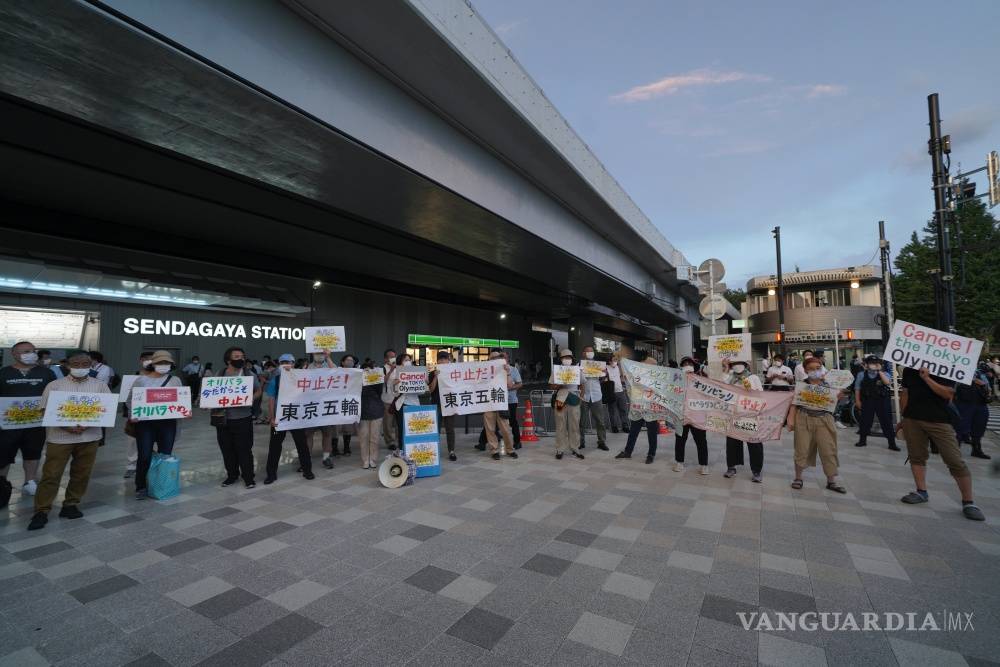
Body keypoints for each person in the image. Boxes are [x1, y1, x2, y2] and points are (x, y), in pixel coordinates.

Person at [28, 350, 111, 530]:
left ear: (91, 365)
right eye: (76, 364)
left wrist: (87, 425)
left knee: (82, 473)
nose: (81, 367)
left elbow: (106, 410)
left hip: (89, 436)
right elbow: (45, 410)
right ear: (67, 365)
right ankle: (41, 510)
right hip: (59, 438)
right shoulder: (54, 386)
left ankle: (71, 504)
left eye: (85, 364)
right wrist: (66, 427)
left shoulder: (100, 385)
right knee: (51, 474)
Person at [895, 366, 984, 521]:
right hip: (913, 419)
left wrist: (927, 378)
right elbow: (905, 393)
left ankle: (968, 502)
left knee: (954, 460)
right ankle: (921, 491)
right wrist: (904, 418)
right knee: (916, 456)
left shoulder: (945, 368)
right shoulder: (910, 370)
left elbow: (948, 394)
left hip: (940, 420)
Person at [1, 341, 56, 504]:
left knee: (33, 452)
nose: (31, 354)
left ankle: (29, 481)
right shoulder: (4, 373)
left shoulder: (46, 373)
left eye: (33, 351)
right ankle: (2, 483)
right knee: (4, 454)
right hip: (8, 425)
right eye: (26, 351)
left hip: (35, 423)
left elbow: (54, 395)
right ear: (14, 354)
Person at [126, 350, 183, 500]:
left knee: (165, 455)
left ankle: (161, 484)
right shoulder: (141, 381)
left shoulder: (175, 380)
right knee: (144, 455)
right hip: (145, 424)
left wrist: (184, 410)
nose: (164, 365)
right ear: (153, 363)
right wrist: (133, 414)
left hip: (168, 423)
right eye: (160, 362)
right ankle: (141, 486)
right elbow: (130, 400)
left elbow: (181, 398)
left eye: (167, 363)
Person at [786, 356, 846, 493]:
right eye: (811, 369)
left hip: (825, 419)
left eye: (818, 368)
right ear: (805, 370)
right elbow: (794, 404)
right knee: (801, 449)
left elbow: (835, 402)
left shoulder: (830, 384)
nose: (815, 371)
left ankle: (831, 481)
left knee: (828, 449)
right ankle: (798, 478)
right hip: (803, 418)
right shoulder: (801, 385)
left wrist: (839, 395)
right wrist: (790, 419)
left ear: (822, 368)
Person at [214, 347, 260, 489]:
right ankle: (232, 475)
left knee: (244, 449)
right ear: (228, 360)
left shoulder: (249, 374)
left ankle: (248, 477)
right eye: (236, 356)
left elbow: (258, 390)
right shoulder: (220, 374)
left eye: (242, 356)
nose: (240, 359)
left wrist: (250, 398)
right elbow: (212, 391)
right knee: (227, 449)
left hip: (243, 417)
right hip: (223, 419)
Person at [264, 354, 313, 483]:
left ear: (293, 364)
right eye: (283, 362)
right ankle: (271, 474)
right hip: (280, 418)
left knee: (302, 444)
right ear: (279, 364)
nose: (286, 364)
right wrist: (272, 417)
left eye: (289, 362)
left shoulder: (300, 379)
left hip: (296, 418)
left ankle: (307, 470)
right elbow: (271, 400)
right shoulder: (276, 380)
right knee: (274, 446)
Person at [722, 356, 765, 482]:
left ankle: (756, 471)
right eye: (734, 363)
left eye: (740, 363)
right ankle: (731, 467)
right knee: (732, 442)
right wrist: (725, 367)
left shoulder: (753, 377)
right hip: (733, 414)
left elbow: (761, 394)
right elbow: (722, 388)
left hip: (750, 415)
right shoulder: (730, 377)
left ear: (746, 365)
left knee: (754, 443)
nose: (737, 365)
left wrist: (750, 390)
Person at [614, 350, 660, 464]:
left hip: (650, 406)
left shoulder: (653, 367)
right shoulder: (634, 369)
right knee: (634, 430)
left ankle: (651, 454)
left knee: (652, 432)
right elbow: (625, 376)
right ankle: (628, 451)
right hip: (638, 405)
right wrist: (620, 361)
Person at [853, 355, 900, 451]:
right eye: (871, 363)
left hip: (882, 401)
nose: (873, 365)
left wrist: (879, 371)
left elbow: (887, 382)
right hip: (867, 400)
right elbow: (857, 388)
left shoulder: (884, 373)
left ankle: (892, 443)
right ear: (866, 364)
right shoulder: (861, 374)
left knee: (886, 421)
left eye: (876, 363)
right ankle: (862, 440)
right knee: (865, 420)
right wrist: (857, 401)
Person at [673, 356, 709, 474]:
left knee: (701, 441)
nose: (687, 366)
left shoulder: (702, 379)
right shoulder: (676, 379)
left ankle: (704, 465)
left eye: (690, 364)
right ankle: (679, 462)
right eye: (685, 364)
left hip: (698, 416)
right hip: (682, 415)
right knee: (680, 440)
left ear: (694, 366)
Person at [480, 350, 518, 461]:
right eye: (492, 358)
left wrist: (508, 372)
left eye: (497, 358)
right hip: (488, 403)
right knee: (490, 429)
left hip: (501, 402)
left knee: (505, 428)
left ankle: (510, 449)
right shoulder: (484, 371)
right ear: (489, 360)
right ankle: (494, 450)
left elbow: (510, 385)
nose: (495, 360)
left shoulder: (505, 369)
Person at [123, 351, 155, 479]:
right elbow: (127, 399)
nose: (149, 361)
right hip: (136, 416)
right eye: (146, 359)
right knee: (132, 441)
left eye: (152, 359)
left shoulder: (161, 377)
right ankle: (131, 466)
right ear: (141, 360)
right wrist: (132, 413)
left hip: (155, 415)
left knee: (152, 442)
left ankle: (151, 465)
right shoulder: (133, 378)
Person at [305, 348, 338, 467]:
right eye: (317, 353)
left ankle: (326, 457)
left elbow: (336, 373)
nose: (319, 355)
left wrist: (328, 357)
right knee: (308, 434)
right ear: (313, 354)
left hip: (326, 405)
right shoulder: (308, 367)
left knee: (327, 433)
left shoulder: (329, 364)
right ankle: (306, 458)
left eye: (321, 353)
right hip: (312, 404)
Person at [550, 349, 584, 461]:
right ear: (561, 359)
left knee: (574, 425)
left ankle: (575, 448)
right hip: (560, 399)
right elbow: (552, 386)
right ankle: (560, 449)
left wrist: (581, 397)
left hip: (574, 398)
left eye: (569, 358)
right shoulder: (556, 370)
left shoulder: (577, 370)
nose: (567, 359)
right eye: (564, 358)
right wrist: (560, 383)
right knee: (560, 424)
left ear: (572, 359)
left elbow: (582, 384)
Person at [955, 362, 992, 460]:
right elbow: (955, 384)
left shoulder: (980, 372)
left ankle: (976, 449)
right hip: (965, 402)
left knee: (979, 426)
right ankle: (955, 450)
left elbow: (987, 386)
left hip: (980, 403)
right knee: (961, 427)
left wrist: (987, 389)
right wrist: (973, 380)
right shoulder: (959, 368)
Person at [388, 352, 423, 450]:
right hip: (402, 404)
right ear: (400, 362)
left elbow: (421, 392)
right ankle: (402, 449)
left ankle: (413, 449)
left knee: (414, 428)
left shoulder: (416, 372)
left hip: (414, 404)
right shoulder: (396, 373)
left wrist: (423, 382)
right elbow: (394, 393)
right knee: (402, 429)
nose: (408, 362)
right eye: (405, 360)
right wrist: (396, 383)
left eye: (409, 360)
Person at [427, 350, 457, 461]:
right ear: (437, 361)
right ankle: (434, 451)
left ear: (448, 360)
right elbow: (431, 390)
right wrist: (435, 377)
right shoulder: (432, 373)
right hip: (436, 403)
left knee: (450, 428)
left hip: (449, 403)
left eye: (445, 359)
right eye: (441, 359)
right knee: (436, 428)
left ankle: (451, 451)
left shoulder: (454, 372)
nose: (443, 361)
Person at [578, 346, 609, 451]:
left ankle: (602, 442)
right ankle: (580, 442)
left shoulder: (599, 365)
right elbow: (575, 379)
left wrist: (604, 373)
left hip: (596, 395)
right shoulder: (579, 365)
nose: (590, 353)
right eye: (588, 351)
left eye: (591, 351)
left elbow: (603, 378)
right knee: (582, 421)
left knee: (600, 420)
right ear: (583, 353)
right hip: (583, 396)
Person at [357, 359, 385, 469]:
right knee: (364, 437)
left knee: (375, 437)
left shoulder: (377, 380)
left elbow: (379, 392)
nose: (367, 372)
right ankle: (365, 459)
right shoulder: (357, 381)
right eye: (365, 370)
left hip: (376, 410)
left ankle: (373, 459)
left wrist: (373, 379)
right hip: (362, 411)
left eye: (369, 370)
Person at [333, 354, 358, 456]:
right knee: (335, 428)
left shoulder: (356, 372)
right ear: (342, 362)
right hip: (337, 403)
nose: (350, 362)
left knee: (348, 427)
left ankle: (346, 448)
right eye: (347, 360)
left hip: (349, 402)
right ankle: (334, 448)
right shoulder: (337, 371)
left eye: (352, 361)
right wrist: (328, 357)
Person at [380, 349, 398, 448]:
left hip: (399, 398)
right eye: (390, 357)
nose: (392, 358)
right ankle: (390, 441)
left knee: (399, 422)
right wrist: (391, 370)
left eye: (394, 356)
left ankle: (399, 440)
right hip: (387, 399)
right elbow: (382, 381)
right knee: (388, 422)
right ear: (385, 359)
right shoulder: (382, 369)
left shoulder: (399, 368)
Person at [605, 355, 629, 433]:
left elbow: (623, 376)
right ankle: (614, 426)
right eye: (614, 360)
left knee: (623, 409)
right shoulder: (606, 368)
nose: (615, 361)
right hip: (611, 392)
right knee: (612, 411)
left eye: (616, 360)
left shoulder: (619, 367)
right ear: (609, 361)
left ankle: (625, 425)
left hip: (621, 391)